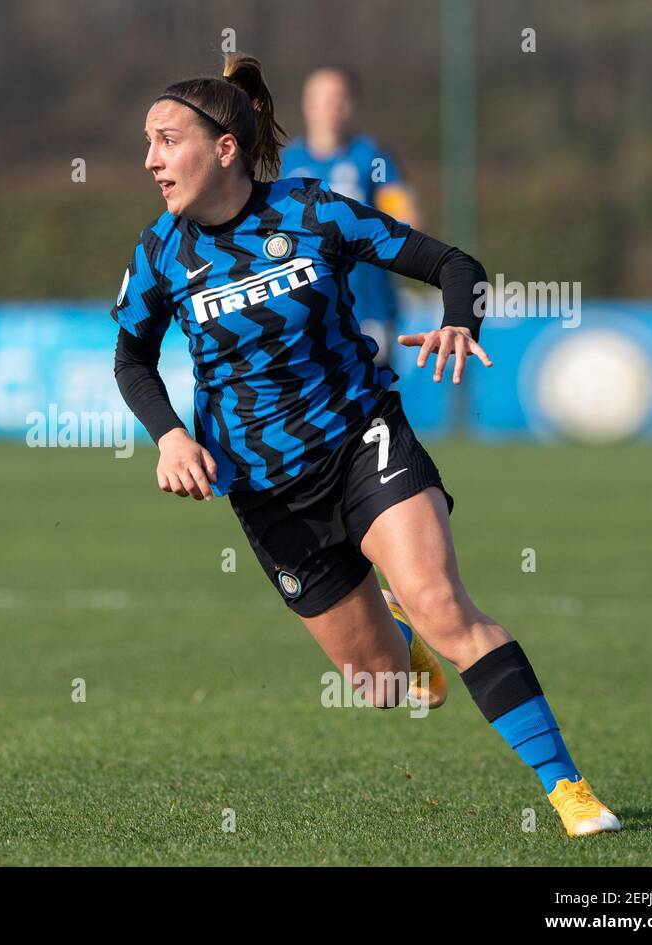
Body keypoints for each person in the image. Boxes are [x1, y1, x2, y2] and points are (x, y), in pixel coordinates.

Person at [110, 53, 620, 837]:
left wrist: (458, 319)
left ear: (223, 149)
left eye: (166, 140)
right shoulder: (159, 254)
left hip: (361, 439)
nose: (150, 159)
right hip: (267, 490)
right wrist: (170, 435)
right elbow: (131, 358)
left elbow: (454, 263)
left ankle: (569, 790)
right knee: (379, 685)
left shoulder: (314, 213)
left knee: (447, 607)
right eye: (147, 141)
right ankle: (397, 635)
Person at [280, 66, 421, 367]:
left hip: (367, 310)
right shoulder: (289, 163)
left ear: (350, 105)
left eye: (338, 98)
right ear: (307, 104)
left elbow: (408, 221)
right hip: (305, 313)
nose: (329, 108)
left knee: (368, 405)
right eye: (320, 99)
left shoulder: (373, 158)